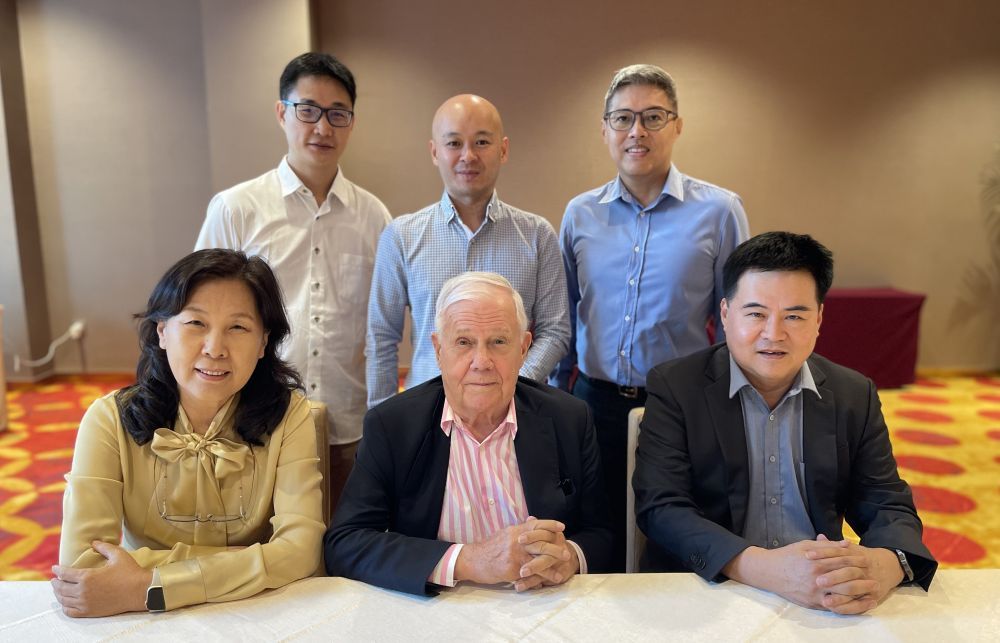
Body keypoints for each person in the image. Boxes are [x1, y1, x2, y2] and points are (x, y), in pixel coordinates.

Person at [634, 231, 937, 614]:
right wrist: (765, 567)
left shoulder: (852, 393)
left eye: (794, 315)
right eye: (756, 314)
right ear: (725, 315)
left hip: (818, 595)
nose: (774, 334)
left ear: (819, 319)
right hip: (709, 591)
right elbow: (662, 507)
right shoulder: (676, 386)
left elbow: (886, 502)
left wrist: (885, 564)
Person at [551, 64, 750, 570]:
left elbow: (736, 320)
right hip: (592, 401)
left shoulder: (720, 211)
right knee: (593, 530)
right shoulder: (579, 214)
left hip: (677, 405)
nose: (636, 131)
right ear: (605, 130)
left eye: (652, 117)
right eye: (622, 119)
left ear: (677, 125)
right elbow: (565, 314)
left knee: (667, 530)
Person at [52, 249, 324, 616]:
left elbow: (302, 550)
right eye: (196, 323)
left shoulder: (290, 417)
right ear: (162, 331)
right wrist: (246, 561)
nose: (215, 348)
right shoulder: (108, 420)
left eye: (238, 327)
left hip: (253, 614)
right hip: (176, 612)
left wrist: (149, 585)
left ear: (263, 343)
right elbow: (83, 563)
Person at [326, 272, 612, 595]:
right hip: (433, 614)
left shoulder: (569, 420)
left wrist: (570, 557)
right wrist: (469, 560)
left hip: (539, 608)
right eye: (464, 342)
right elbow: (345, 543)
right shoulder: (393, 426)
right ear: (438, 349)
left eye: (498, 342)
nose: (481, 362)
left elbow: (601, 534)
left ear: (523, 348)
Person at [195, 52, 390, 516]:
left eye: (337, 114)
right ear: (282, 113)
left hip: (346, 421)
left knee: (342, 551)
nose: (322, 128)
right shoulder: (237, 208)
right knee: (257, 548)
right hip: (254, 419)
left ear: (351, 123)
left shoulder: (375, 217)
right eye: (308, 110)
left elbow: (383, 323)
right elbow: (196, 314)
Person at [366, 94, 569, 408]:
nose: (468, 156)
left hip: (516, 417)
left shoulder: (537, 235)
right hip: (427, 414)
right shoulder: (401, 236)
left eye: (482, 142)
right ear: (435, 152)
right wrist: (381, 419)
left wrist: (511, 386)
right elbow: (381, 336)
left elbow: (555, 330)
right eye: (454, 143)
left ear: (503, 150)